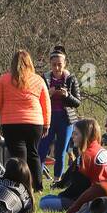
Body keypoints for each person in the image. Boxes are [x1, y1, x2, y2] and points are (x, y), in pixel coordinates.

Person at [0, 50, 51, 191]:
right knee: (33, 154)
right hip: (34, 123)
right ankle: (38, 187)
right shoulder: (38, 80)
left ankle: (21, 187)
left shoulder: (3, 80)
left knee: (18, 158)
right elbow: (46, 104)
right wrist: (46, 123)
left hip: (11, 123)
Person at [38, 118, 107, 212]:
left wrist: (62, 196)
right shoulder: (103, 151)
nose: (72, 136)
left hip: (95, 201)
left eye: (76, 133)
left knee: (44, 201)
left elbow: (79, 188)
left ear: (85, 136)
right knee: (51, 197)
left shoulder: (86, 157)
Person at [37, 47, 80, 179]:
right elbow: (36, 101)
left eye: (59, 65)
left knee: (61, 150)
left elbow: (77, 102)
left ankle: (57, 179)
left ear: (64, 64)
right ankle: (37, 179)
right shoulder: (43, 78)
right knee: (42, 149)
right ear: (50, 64)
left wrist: (67, 95)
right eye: (54, 65)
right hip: (47, 119)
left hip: (66, 120)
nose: (57, 68)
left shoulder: (71, 79)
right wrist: (48, 94)